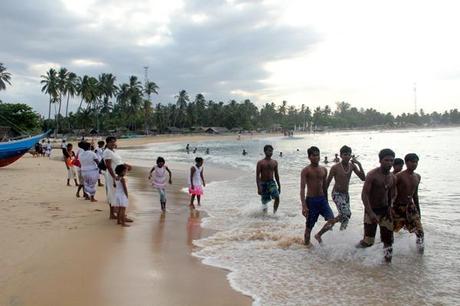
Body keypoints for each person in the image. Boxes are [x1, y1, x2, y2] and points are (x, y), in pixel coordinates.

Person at [357, 148, 396, 263]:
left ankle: (387, 265)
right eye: (386, 160)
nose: (389, 163)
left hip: (385, 211)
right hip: (372, 210)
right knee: (368, 242)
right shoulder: (372, 175)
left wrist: (390, 207)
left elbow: (392, 194)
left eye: (391, 161)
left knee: (388, 241)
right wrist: (370, 213)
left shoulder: (392, 177)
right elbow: (364, 195)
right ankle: (354, 252)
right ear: (380, 161)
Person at [300, 146, 335, 246]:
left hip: (322, 200)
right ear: (309, 157)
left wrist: (327, 201)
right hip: (311, 201)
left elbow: (325, 187)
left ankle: (319, 235)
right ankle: (306, 249)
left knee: (331, 220)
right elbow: (302, 188)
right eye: (313, 155)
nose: (316, 157)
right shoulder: (306, 170)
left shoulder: (324, 170)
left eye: (318, 155)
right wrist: (303, 206)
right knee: (308, 229)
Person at [326, 145, 365, 230]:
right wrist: (324, 198)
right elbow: (327, 183)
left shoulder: (352, 166)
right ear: (341, 156)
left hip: (345, 194)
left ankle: (340, 234)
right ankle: (328, 226)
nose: (347, 156)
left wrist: (359, 164)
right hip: (337, 193)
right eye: (345, 154)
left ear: (351, 155)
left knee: (346, 217)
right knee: (346, 213)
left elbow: (363, 178)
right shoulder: (335, 167)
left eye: (348, 154)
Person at [393, 153, 424, 253]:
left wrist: (418, 211)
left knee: (420, 232)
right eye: (412, 162)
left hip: (410, 207)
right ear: (406, 163)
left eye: (416, 162)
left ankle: (420, 255)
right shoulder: (398, 176)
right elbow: (391, 193)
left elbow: (415, 195)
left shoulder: (417, 177)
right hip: (398, 207)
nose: (414, 164)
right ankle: (383, 250)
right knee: (389, 231)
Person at [103, 136, 132, 220]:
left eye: (114, 141)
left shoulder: (113, 151)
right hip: (114, 176)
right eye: (111, 142)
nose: (113, 143)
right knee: (117, 194)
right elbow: (108, 166)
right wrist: (114, 177)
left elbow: (118, 162)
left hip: (117, 175)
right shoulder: (107, 152)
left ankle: (113, 214)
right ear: (107, 143)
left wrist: (126, 165)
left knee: (114, 194)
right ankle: (121, 215)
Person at [256, 145, 281, 214]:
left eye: (271, 151)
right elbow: (257, 176)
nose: (271, 152)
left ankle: (274, 213)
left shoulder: (274, 162)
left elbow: (276, 175)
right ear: (265, 151)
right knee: (264, 202)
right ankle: (265, 217)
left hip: (271, 183)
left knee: (277, 197)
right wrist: (259, 187)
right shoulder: (260, 163)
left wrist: (279, 186)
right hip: (263, 183)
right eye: (269, 151)